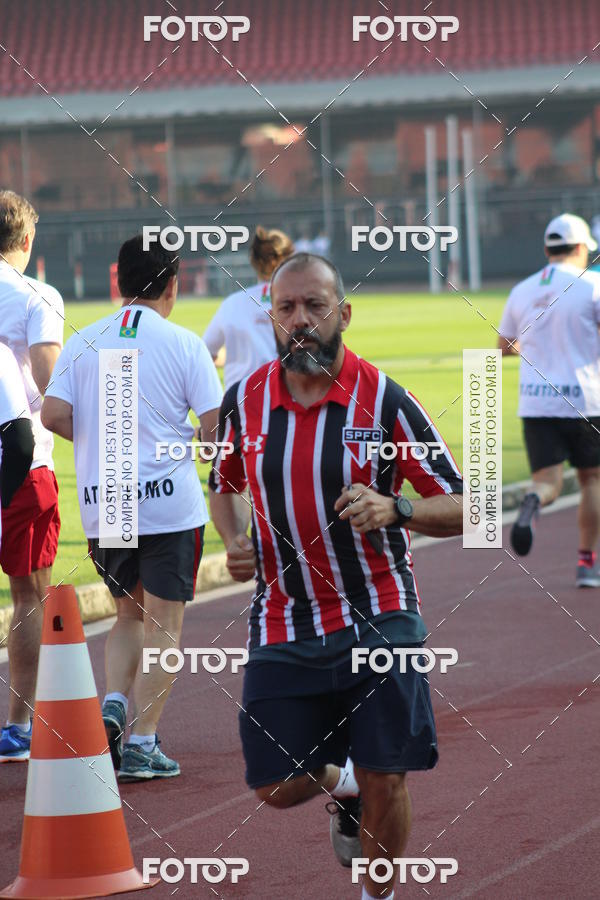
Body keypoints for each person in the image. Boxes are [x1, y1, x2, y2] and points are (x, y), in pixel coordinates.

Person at [209, 253, 463, 900]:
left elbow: (469, 504)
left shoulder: (386, 402)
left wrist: (396, 506)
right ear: (270, 316)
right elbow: (224, 483)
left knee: (390, 774)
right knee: (272, 782)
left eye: (314, 307)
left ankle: (376, 894)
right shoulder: (243, 400)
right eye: (287, 308)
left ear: (342, 313)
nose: (300, 321)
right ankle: (341, 779)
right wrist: (236, 540)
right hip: (283, 616)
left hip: (378, 612)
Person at [42, 236, 223, 781]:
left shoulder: (84, 340)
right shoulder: (185, 343)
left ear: (118, 282)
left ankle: (115, 703)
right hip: (170, 506)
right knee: (165, 622)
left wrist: (99, 444)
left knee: (126, 614)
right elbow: (214, 432)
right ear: (174, 284)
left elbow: (51, 413)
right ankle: (142, 743)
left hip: (109, 500)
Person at [499, 213, 600, 586]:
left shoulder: (522, 289)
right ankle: (588, 564)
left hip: (536, 402)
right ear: (579, 248)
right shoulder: (593, 285)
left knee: (547, 481)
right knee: (592, 480)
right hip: (586, 400)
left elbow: (505, 345)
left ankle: (534, 501)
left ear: (546, 249)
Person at [0, 190, 63, 762]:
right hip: (20, 460)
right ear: (26, 241)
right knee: (29, 596)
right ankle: (17, 725)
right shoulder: (36, 296)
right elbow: (52, 390)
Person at [203, 226, 294, 390]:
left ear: (253, 260)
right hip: (287, 403)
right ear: (288, 261)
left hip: (239, 404)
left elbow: (205, 353)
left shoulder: (231, 303)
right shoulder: (300, 303)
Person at [0, 344, 35, 761]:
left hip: (20, 481)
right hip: (24, 479)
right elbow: (22, 440)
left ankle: (19, 727)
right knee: (29, 597)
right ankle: (19, 727)